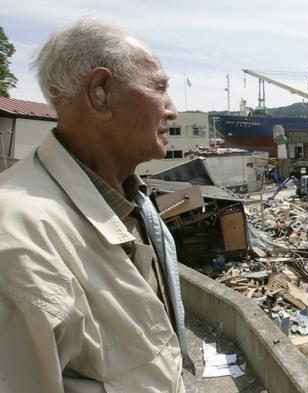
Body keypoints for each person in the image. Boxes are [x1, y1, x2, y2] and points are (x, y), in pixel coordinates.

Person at [0, 18, 191, 392]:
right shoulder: (19, 242)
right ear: (100, 93)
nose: (172, 110)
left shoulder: (134, 201)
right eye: (159, 88)